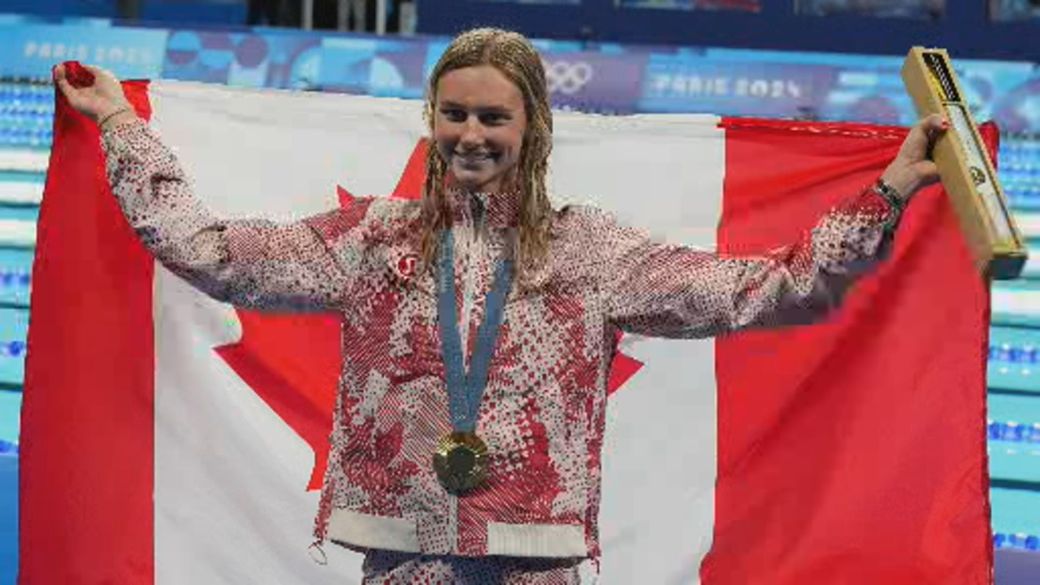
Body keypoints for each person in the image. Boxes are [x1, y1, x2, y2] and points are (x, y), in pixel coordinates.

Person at [53, 27, 946, 584]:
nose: (470, 135)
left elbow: (763, 288)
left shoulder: (590, 250)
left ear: (533, 129)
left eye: (493, 118)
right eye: (453, 114)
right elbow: (211, 254)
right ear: (432, 121)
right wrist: (123, 128)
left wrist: (890, 191)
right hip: (402, 550)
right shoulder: (373, 240)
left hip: (534, 558)